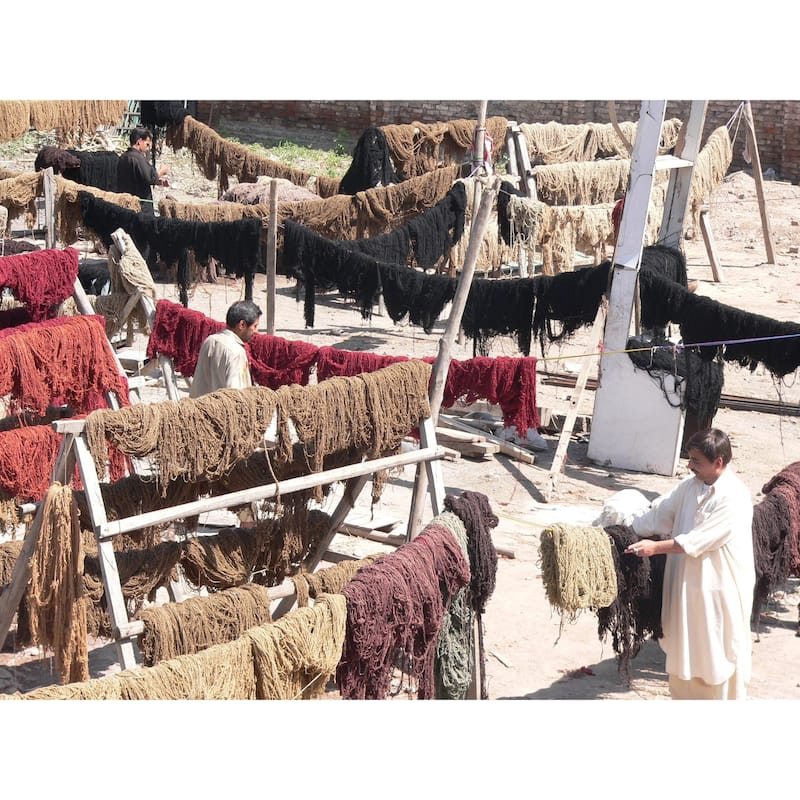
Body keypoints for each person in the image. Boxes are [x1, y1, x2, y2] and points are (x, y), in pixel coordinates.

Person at [624, 428, 755, 699]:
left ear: (718, 462)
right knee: (685, 647)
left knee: (715, 648)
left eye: (696, 461)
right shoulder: (689, 486)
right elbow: (660, 515)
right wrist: (624, 529)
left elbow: (699, 540)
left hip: (719, 590)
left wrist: (654, 548)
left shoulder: (735, 496)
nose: (690, 465)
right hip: (686, 585)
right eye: (690, 459)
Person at [189, 300, 262, 398]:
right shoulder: (236, 352)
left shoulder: (210, 340)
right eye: (255, 326)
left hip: (197, 409)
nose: (256, 331)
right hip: (220, 412)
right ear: (242, 325)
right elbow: (236, 396)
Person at [116, 127, 169, 217]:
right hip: (141, 206)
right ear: (139, 142)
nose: (148, 148)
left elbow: (137, 177)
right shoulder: (138, 158)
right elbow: (149, 178)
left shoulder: (123, 157)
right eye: (147, 144)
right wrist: (161, 172)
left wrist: (158, 182)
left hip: (127, 204)